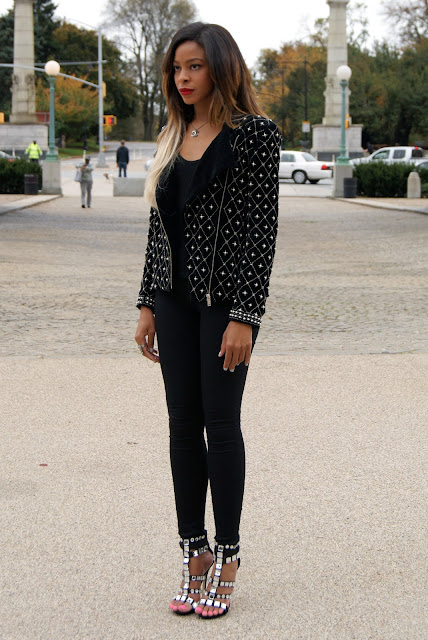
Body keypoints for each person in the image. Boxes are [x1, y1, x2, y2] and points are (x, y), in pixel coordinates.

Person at [135, 22, 280, 619]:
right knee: (180, 425)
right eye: (176, 68)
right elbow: (158, 227)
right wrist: (146, 302)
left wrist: (245, 316)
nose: (183, 78)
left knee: (220, 426)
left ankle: (229, 552)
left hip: (225, 305)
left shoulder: (255, 135)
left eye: (194, 66)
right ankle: (192, 550)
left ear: (221, 67)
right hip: (172, 302)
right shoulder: (175, 133)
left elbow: (260, 233)